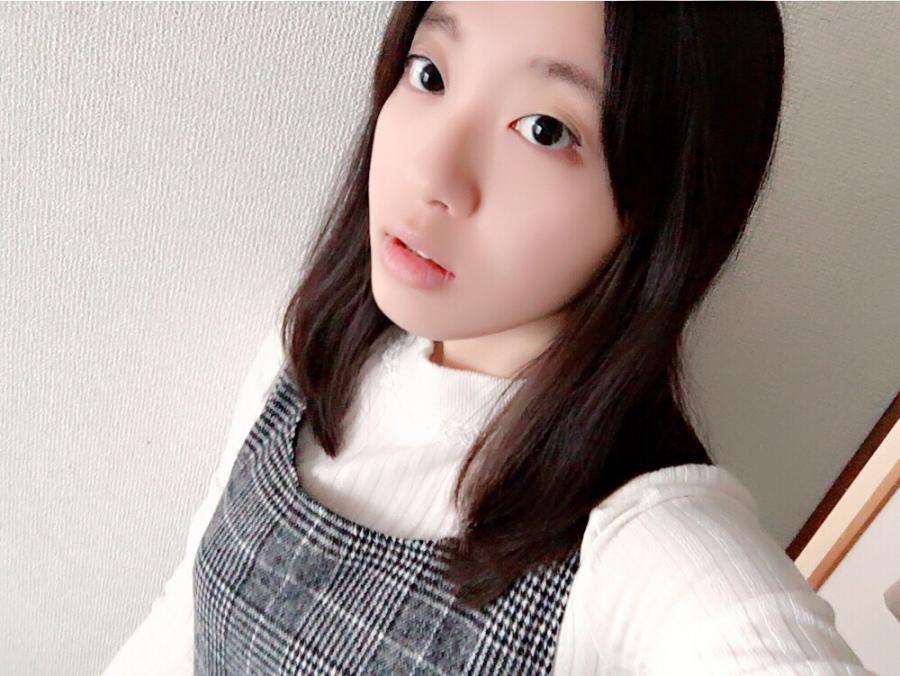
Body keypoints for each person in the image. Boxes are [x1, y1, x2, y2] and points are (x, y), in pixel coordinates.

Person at [104, 2, 875, 674]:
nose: (433, 172)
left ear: (667, 199)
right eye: (430, 74)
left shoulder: (640, 547)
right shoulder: (305, 358)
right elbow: (183, 623)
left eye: (544, 129)